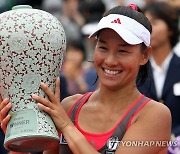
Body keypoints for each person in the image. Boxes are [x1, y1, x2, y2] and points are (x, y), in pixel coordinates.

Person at [0, 4, 172, 154]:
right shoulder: (68, 107)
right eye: (103, 47)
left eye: (123, 51)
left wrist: (67, 127)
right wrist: (17, 143)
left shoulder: (154, 115)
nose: (110, 61)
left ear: (145, 55)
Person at [137, 1, 180, 137]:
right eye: (146, 24)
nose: (149, 30)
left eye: (154, 23)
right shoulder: (136, 70)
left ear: (171, 29)